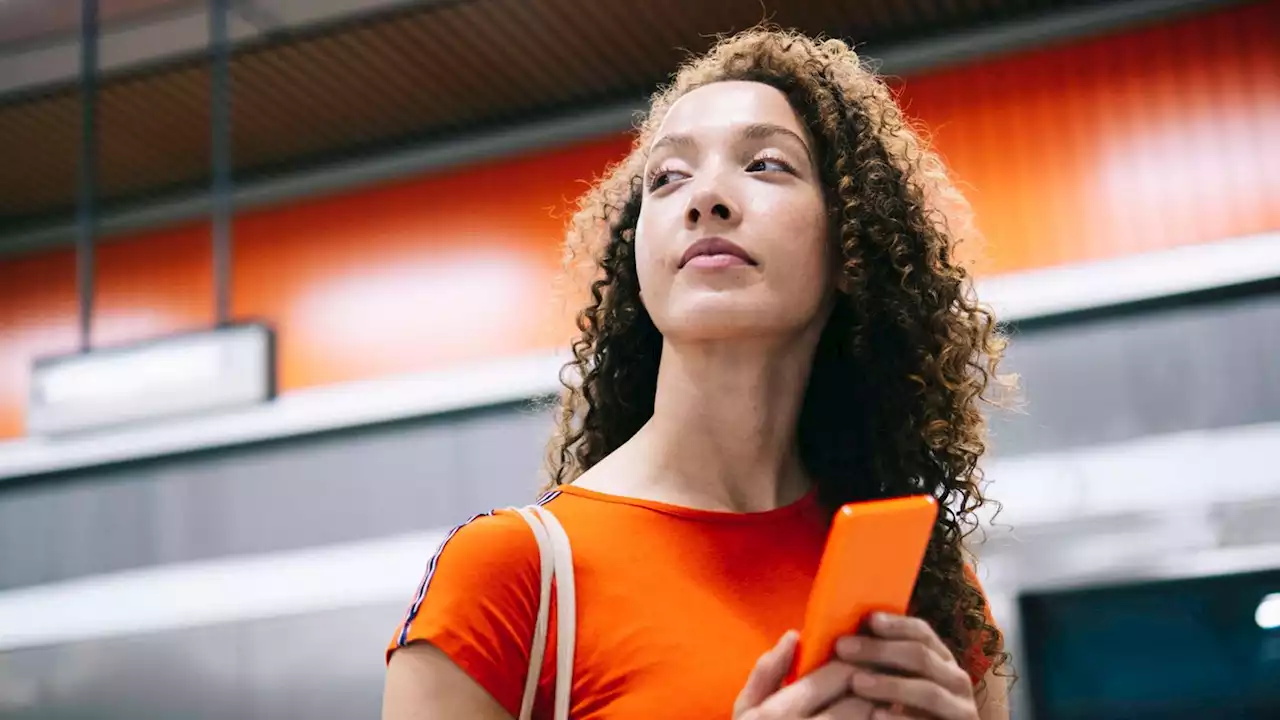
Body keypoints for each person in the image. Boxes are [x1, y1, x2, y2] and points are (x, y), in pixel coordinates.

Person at [384, 26, 1013, 720]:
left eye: (767, 165)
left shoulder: (930, 593)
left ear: (850, 249)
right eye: (668, 177)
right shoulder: (509, 575)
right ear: (636, 262)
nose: (705, 198)